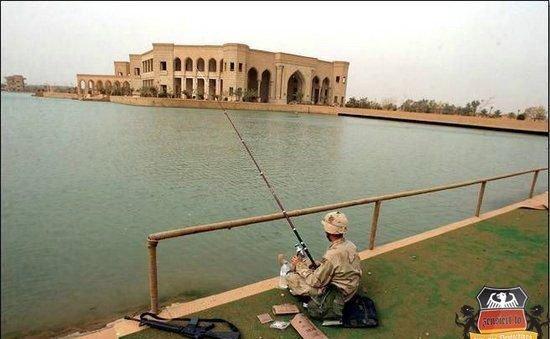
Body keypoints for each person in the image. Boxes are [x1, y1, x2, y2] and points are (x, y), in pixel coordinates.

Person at [286, 211, 363, 321]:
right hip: (351, 288)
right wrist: (318, 266)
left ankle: (290, 268)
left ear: (328, 231)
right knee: (309, 263)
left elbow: (315, 282)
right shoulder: (351, 245)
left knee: (291, 278)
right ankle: (298, 266)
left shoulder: (332, 255)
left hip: (337, 296)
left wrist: (299, 265)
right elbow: (338, 266)